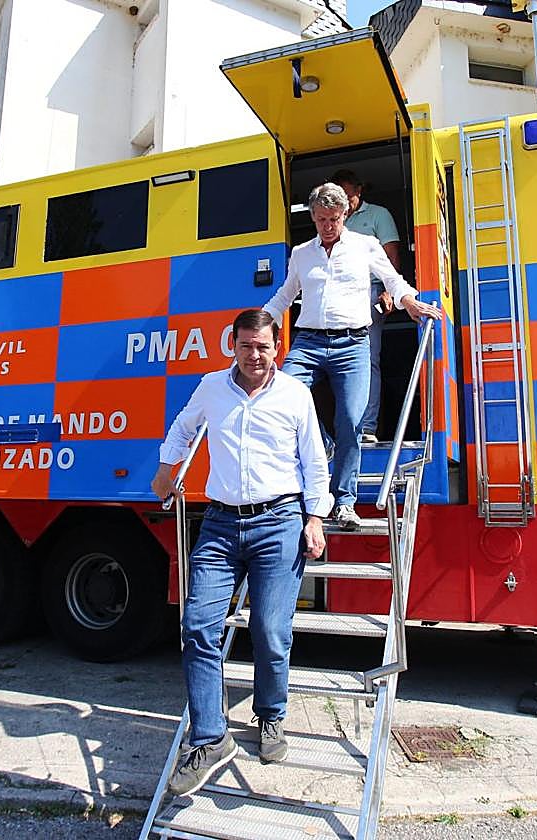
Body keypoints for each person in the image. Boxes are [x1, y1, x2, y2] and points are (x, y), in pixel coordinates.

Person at [151, 308, 332, 797]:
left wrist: (314, 518)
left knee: (270, 631)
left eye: (264, 346)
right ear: (233, 344)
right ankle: (210, 737)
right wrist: (167, 472)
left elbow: (314, 461)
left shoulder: (295, 394)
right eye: (247, 345)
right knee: (196, 626)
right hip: (221, 524)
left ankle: (271, 715)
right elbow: (183, 429)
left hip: (279, 523)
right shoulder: (212, 386)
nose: (256, 355)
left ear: (278, 348)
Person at [263, 183, 440, 530]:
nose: (328, 226)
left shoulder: (365, 245)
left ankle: (343, 501)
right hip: (310, 341)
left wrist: (408, 301)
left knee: (352, 421)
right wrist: (259, 324)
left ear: (346, 214)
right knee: (281, 395)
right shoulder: (301, 253)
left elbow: (392, 278)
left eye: (334, 218)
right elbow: (285, 294)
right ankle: (323, 443)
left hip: (353, 343)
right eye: (321, 219)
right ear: (312, 217)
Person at [332, 169, 402, 444]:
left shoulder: (378, 215)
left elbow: (392, 254)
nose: (342, 201)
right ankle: (344, 428)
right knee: (336, 362)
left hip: (369, 290)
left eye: (346, 195)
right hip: (338, 294)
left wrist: (388, 290)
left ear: (358, 192)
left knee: (367, 359)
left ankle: (367, 427)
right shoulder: (333, 220)